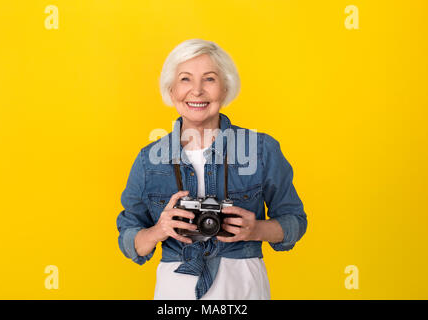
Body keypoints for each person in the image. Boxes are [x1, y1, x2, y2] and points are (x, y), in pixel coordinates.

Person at [116, 39, 307, 300]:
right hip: (176, 293)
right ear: (171, 91)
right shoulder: (149, 160)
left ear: (225, 88)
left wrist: (255, 229)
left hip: (243, 291)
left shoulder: (262, 150)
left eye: (209, 79)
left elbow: (295, 221)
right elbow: (130, 241)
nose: (197, 91)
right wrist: (159, 230)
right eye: (185, 79)